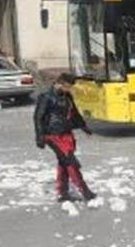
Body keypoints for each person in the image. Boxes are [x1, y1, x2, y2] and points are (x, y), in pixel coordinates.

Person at [34, 73, 96, 203]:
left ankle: (62, 192)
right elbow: (38, 117)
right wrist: (39, 136)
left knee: (64, 162)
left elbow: (74, 113)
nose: (69, 89)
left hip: (66, 133)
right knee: (71, 162)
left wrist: (84, 126)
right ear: (60, 83)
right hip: (52, 134)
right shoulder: (46, 97)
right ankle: (85, 191)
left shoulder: (67, 96)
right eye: (67, 86)